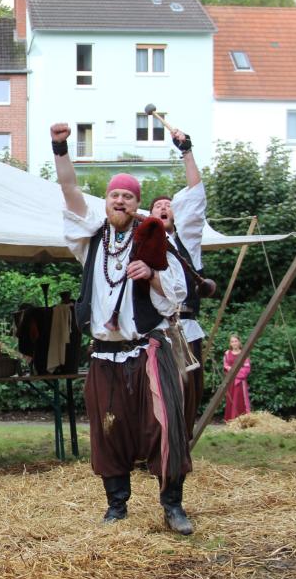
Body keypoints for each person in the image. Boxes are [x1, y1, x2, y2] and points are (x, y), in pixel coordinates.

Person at [51, 122, 194, 535]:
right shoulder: (89, 240)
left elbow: (177, 295)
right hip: (104, 355)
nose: (120, 200)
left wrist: (150, 273)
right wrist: (60, 147)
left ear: (136, 204)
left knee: (164, 427)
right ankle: (117, 506)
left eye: (128, 196)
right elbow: (69, 191)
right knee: (109, 430)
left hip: (146, 351)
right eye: (115, 194)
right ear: (107, 201)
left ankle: (173, 505)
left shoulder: (153, 241)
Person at [147, 127, 205, 428]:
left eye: (168, 205)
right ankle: (154, 449)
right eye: (157, 207)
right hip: (151, 332)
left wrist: (186, 151)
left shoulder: (188, 243)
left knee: (187, 393)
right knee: (151, 395)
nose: (164, 207)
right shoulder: (140, 248)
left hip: (185, 330)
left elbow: (195, 196)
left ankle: (180, 448)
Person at [222, 335, 252, 421]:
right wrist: (231, 370)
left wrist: (236, 372)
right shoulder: (227, 353)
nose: (234, 343)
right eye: (232, 341)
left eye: (236, 341)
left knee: (239, 400)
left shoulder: (244, 354)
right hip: (230, 381)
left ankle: (243, 420)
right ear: (230, 343)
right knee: (230, 399)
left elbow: (247, 368)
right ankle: (231, 419)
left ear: (239, 342)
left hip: (240, 381)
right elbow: (225, 365)